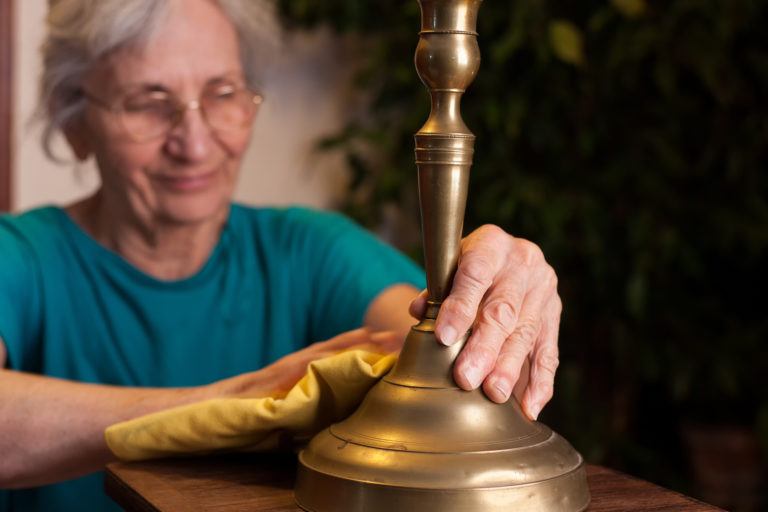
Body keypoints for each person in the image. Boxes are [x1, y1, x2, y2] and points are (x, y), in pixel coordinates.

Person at [0, 0, 563, 510]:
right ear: (75, 122)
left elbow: (451, 361)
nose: (194, 143)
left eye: (223, 94)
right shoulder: (20, 257)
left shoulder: (310, 250)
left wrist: (492, 297)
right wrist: (227, 404)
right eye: (149, 103)